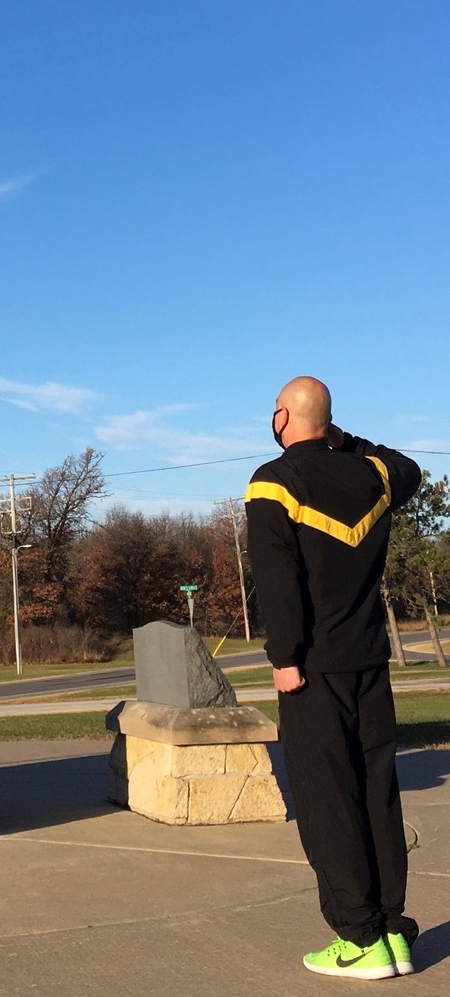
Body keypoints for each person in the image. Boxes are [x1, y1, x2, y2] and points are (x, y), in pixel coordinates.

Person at [245, 376, 422, 980]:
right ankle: (392, 929)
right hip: (370, 662)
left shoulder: (273, 481)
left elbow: (277, 578)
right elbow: (408, 468)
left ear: (281, 420)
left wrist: (284, 657)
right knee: (377, 792)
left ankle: (358, 938)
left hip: (313, 669)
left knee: (328, 803)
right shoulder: (372, 474)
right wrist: (340, 441)